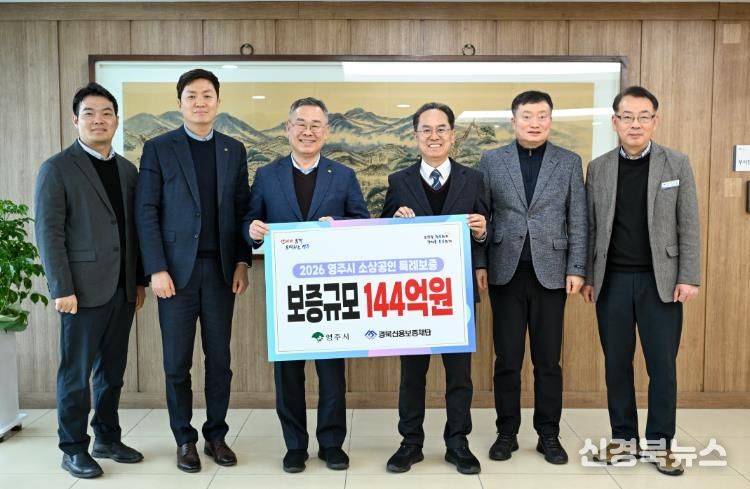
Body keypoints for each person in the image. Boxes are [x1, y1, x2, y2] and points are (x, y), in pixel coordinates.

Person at [243, 97, 369, 473]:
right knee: (288, 372)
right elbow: (250, 221)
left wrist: (341, 227)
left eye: (316, 125)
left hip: (332, 292)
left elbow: (363, 224)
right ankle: (295, 445)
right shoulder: (268, 175)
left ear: (326, 132)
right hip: (286, 290)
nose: (308, 131)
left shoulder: (343, 175)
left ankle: (331, 444)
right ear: (288, 129)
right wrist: (251, 231)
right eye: (301, 123)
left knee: (332, 372)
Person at [134, 69, 250, 473]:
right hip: (175, 276)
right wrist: (156, 268)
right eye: (191, 96)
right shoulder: (159, 148)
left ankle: (216, 435)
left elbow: (241, 209)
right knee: (176, 363)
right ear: (180, 103)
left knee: (220, 361)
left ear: (218, 101)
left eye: (207, 95)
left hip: (220, 273)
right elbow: (146, 211)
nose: (200, 102)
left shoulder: (234, 149)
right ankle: (184, 438)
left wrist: (241, 261)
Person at [581, 86, 700, 476]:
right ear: (615, 121)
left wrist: (688, 276)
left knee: (661, 366)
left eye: (643, 116)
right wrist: (588, 276)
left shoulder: (676, 163)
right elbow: (591, 227)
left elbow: (689, 224)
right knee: (616, 364)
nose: (635, 124)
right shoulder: (599, 167)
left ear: (655, 121)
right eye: (627, 116)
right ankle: (623, 440)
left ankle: (661, 444)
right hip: (612, 281)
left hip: (660, 282)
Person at [34, 82, 146, 479]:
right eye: (89, 114)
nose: (99, 120)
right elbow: (49, 233)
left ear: (116, 120)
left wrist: (137, 281)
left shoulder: (127, 170)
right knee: (75, 374)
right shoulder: (57, 168)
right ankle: (73, 448)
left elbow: (133, 230)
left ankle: (107, 438)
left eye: (106, 113)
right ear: (75, 120)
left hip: (121, 289)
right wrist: (61, 287)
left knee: (112, 372)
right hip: (79, 291)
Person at [476, 90, 587, 465]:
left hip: (552, 274)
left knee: (548, 361)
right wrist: (480, 263)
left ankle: (548, 434)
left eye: (542, 116)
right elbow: (482, 216)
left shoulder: (568, 162)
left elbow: (578, 219)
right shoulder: (492, 161)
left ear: (550, 120)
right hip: (504, 272)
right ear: (514, 121)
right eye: (527, 116)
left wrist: (576, 268)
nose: (534, 123)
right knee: (507, 359)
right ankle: (506, 432)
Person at [380, 102, 489, 475]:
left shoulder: (473, 179)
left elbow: (487, 229)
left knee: (460, 375)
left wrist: (482, 231)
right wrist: (393, 221)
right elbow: (382, 233)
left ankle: (458, 443)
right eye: (426, 130)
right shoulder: (399, 181)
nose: (434, 136)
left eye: (441, 129)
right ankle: (410, 443)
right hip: (413, 297)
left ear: (452, 135)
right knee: (412, 375)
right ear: (415, 136)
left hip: (457, 295)